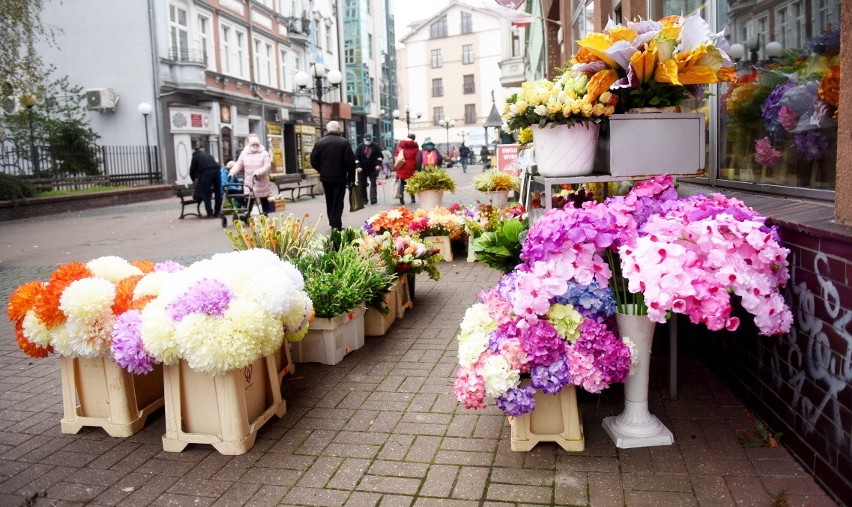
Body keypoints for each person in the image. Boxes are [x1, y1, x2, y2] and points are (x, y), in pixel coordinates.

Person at [310, 120, 356, 230]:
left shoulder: (320, 142)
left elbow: (313, 160)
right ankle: (336, 223)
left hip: (326, 177)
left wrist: (321, 170)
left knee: (329, 199)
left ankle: (332, 221)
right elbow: (350, 162)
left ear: (328, 129)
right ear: (338, 129)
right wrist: (351, 178)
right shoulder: (344, 142)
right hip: (340, 177)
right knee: (338, 200)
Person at [229, 134, 273, 219]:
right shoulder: (244, 153)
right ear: (250, 145)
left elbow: (267, 165)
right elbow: (239, 164)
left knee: (263, 198)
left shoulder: (264, 153)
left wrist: (259, 172)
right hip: (249, 180)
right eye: (253, 144)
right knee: (250, 198)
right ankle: (247, 214)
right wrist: (232, 172)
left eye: (257, 144)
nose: (255, 146)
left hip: (261, 181)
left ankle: (265, 214)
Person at [188, 144, 223, 218]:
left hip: (206, 172)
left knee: (205, 193)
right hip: (217, 170)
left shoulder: (195, 157)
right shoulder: (208, 155)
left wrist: (194, 180)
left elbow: (191, 170)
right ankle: (217, 212)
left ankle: (209, 212)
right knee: (218, 192)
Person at [355, 133, 383, 205]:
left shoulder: (375, 146)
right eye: (367, 140)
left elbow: (380, 156)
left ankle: (373, 199)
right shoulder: (360, 147)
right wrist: (358, 166)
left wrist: (378, 164)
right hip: (362, 169)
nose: (368, 141)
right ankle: (363, 199)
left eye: (369, 140)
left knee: (373, 183)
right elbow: (356, 157)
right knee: (362, 184)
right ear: (364, 139)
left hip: (373, 168)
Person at [394, 134, 420, 205]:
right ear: (414, 139)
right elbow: (417, 158)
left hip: (402, 166)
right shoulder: (415, 147)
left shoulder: (401, 146)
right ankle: (412, 198)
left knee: (402, 182)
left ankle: (401, 195)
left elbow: (396, 156)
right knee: (411, 183)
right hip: (411, 167)